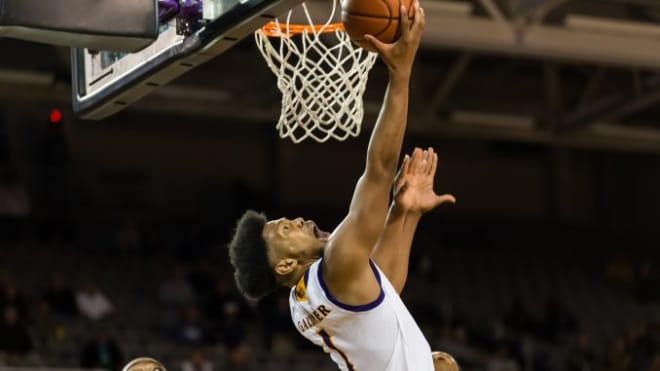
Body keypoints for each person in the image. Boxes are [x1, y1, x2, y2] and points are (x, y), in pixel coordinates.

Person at [228, 2, 457, 369]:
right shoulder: (334, 266)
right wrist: (400, 74)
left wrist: (405, 211)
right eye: (286, 229)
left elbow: (384, 289)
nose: (298, 220)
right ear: (286, 264)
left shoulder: (303, 303)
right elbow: (380, 169)